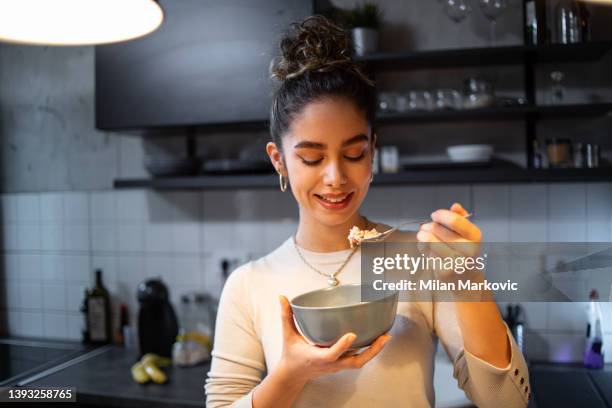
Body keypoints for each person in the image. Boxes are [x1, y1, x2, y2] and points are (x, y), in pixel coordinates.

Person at [205, 16, 530, 408]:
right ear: (279, 161)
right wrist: (292, 374)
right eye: (311, 157)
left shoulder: (420, 261)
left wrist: (467, 278)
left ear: (372, 151)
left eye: (354, 154)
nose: (336, 177)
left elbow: (506, 400)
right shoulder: (249, 284)